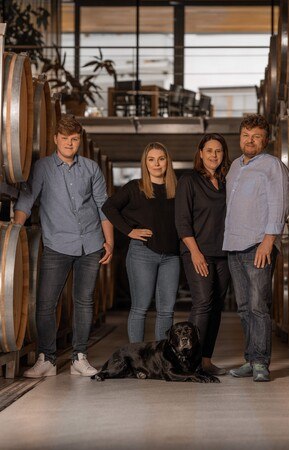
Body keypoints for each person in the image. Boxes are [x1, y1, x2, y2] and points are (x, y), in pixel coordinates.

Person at [14, 114, 113, 378]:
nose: (70, 143)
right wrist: (15, 228)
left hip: (90, 244)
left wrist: (109, 241)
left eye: (75, 138)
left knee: (84, 301)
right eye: (65, 138)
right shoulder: (43, 167)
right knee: (46, 303)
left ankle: (80, 357)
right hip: (57, 244)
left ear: (79, 140)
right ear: (55, 138)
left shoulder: (91, 168)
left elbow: (104, 207)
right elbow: (27, 200)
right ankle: (47, 359)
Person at [223, 114, 289, 382]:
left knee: (259, 306)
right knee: (243, 307)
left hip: (257, 245)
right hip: (233, 246)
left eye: (256, 137)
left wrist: (268, 241)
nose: (250, 141)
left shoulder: (273, 166)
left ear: (266, 140)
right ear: (240, 137)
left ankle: (261, 362)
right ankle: (250, 359)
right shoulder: (235, 167)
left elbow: (279, 204)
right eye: (246, 136)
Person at [102, 142, 180, 343]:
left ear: (167, 162)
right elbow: (109, 207)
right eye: (151, 159)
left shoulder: (177, 189)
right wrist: (129, 231)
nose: (156, 164)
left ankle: (163, 358)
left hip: (171, 256)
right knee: (140, 308)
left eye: (161, 159)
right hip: (142, 254)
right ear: (145, 163)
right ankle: (136, 358)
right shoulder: (135, 187)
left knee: (166, 310)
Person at [175, 133, 231, 376]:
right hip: (198, 252)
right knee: (203, 303)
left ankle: (206, 360)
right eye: (209, 150)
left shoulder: (228, 182)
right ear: (200, 153)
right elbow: (182, 221)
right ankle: (191, 362)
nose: (213, 155)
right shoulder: (189, 180)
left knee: (217, 306)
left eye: (218, 150)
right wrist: (195, 253)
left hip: (224, 253)